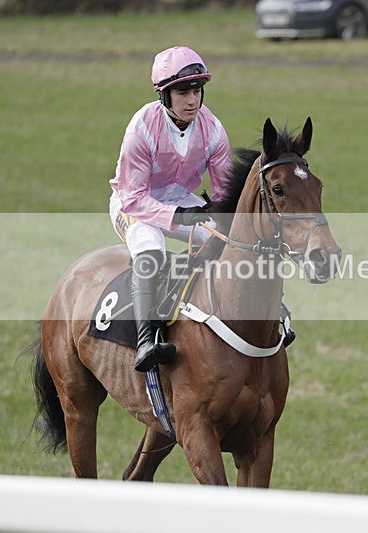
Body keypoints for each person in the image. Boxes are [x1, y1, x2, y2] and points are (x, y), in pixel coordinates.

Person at [108, 46, 232, 373]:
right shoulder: (142, 126)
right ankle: (147, 339)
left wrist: (220, 219)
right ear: (164, 95)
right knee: (150, 248)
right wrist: (178, 216)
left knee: (225, 235)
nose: (192, 100)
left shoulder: (214, 130)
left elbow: (223, 196)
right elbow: (134, 197)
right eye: (182, 92)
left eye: (196, 91)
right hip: (132, 202)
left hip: (180, 200)